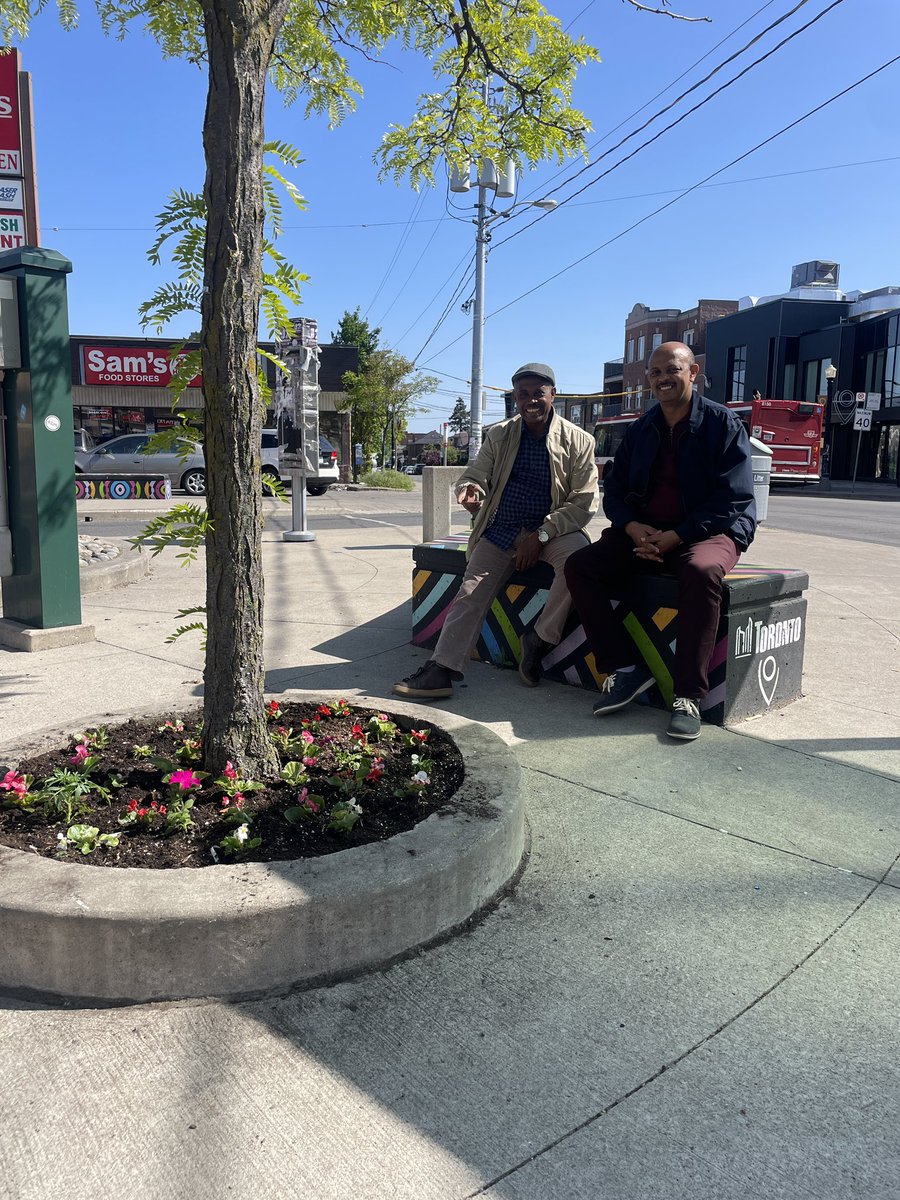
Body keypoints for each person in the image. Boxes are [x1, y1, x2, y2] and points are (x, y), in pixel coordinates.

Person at [564, 341, 756, 740]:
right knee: (581, 566)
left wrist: (678, 535)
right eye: (655, 373)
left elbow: (734, 499)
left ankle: (688, 696)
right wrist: (634, 528)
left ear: (692, 373)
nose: (663, 378)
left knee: (701, 571)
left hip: (711, 531)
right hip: (647, 531)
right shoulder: (642, 429)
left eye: (672, 370)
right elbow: (614, 492)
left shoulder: (723, 425)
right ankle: (626, 668)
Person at [393, 362, 599, 699]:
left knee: (579, 561)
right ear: (515, 398)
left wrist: (541, 536)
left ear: (553, 395)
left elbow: (583, 502)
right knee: (470, 591)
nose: (531, 400)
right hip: (502, 528)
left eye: (538, 393)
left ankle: (539, 640)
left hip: (554, 531)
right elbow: (477, 473)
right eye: (523, 395)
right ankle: (442, 669)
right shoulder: (500, 434)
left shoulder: (579, 441)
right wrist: (470, 490)